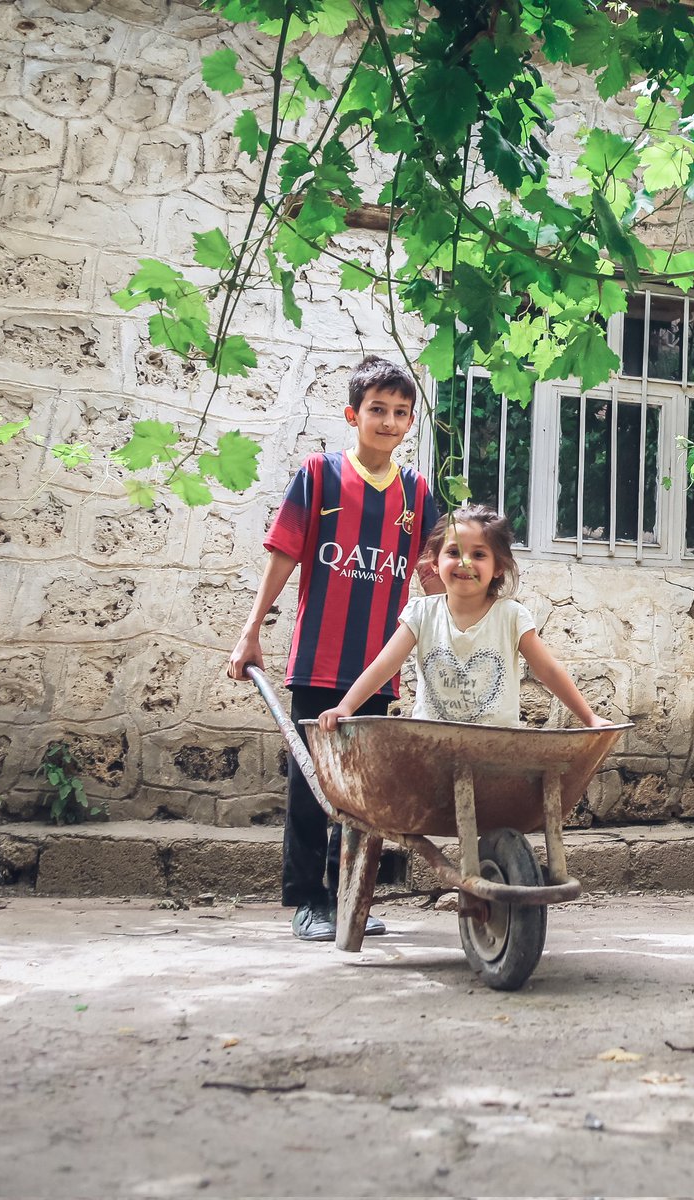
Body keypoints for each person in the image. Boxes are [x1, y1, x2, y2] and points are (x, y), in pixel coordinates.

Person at [226, 356, 440, 942]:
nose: (389, 421)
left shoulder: (419, 494)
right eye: (377, 410)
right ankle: (308, 901)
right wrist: (251, 631)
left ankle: (353, 895)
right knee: (312, 787)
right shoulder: (318, 476)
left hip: (377, 670)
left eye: (400, 413)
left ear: (411, 422)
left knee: (364, 794)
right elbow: (283, 555)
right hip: (319, 660)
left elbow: (431, 578)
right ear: (354, 414)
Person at [318, 505, 612, 732]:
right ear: (435, 562)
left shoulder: (510, 617)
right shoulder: (422, 613)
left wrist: (589, 717)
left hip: (495, 748)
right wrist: (345, 707)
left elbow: (548, 670)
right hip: (430, 743)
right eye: (454, 552)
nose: (465, 562)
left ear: (499, 567)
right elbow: (385, 664)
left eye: (479, 554)